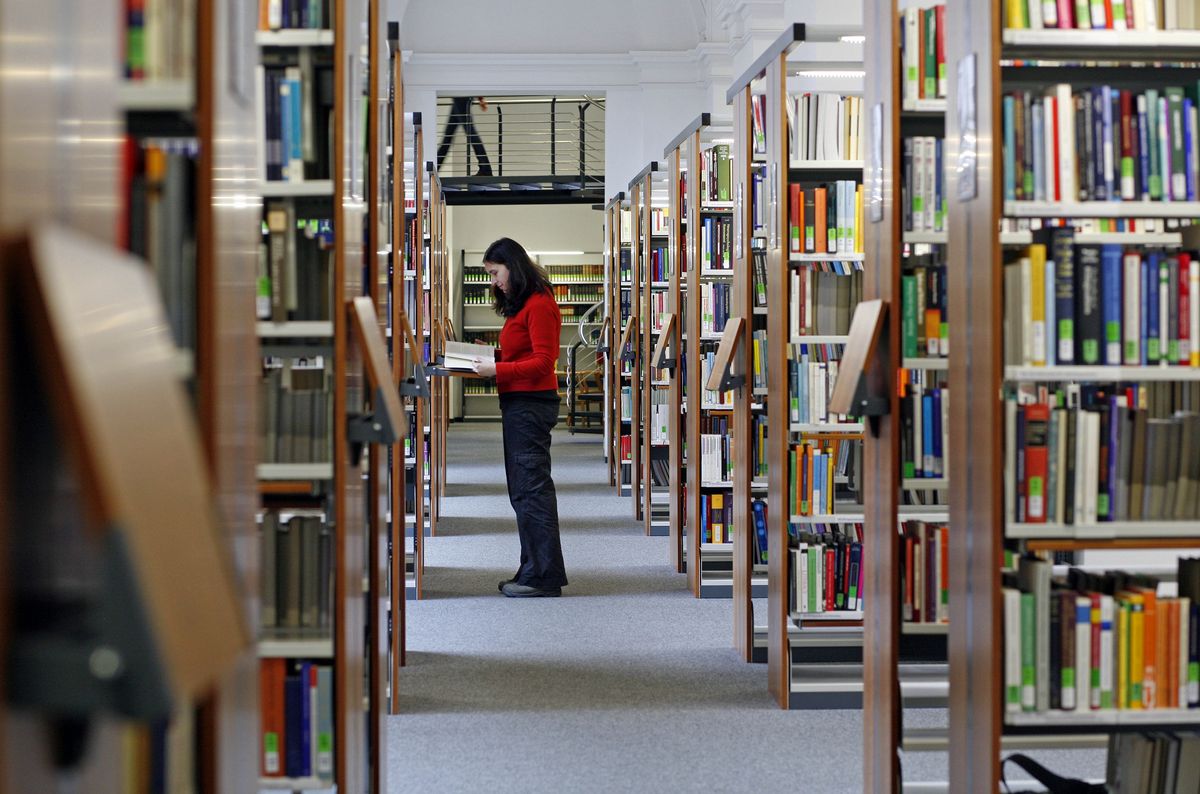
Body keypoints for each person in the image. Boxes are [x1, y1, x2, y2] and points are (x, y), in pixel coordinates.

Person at [470, 237, 568, 597]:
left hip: (530, 404)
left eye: (496, 272)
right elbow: (522, 352)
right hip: (519, 403)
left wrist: (497, 369)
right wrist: (494, 355)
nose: (493, 281)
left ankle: (543, 577)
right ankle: (532, 568)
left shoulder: (540, 304)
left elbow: (544, 361)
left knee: (531, 490)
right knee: (523, 491)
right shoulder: (526, 304)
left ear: (513, 266)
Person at [436, 96, 492, 176]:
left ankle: (486, 169)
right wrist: (480, 98)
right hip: (459, 96)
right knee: (448, 137)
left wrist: (480, 98)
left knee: (470, 133)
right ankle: (434, 169)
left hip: (461, 97)